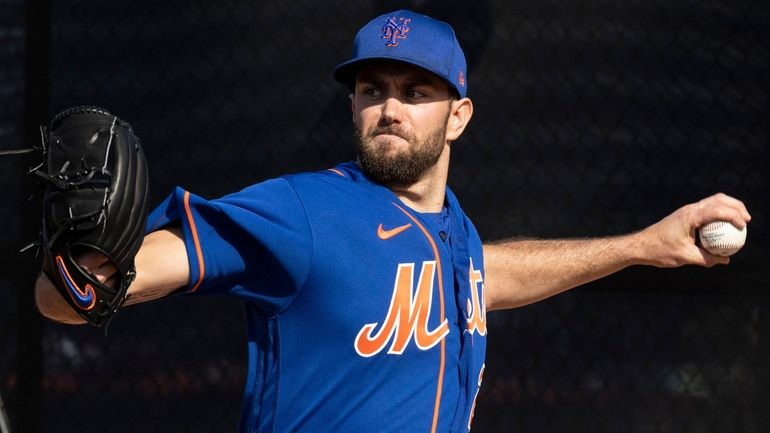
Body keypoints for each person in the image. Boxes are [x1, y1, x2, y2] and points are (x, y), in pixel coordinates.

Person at [35, 9, 750, 433]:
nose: (389, 107)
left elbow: (486, 275)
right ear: (352, 106)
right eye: (372, 89)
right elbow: (87, 294)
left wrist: (641, 246)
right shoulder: (302, 211)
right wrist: (83, 270)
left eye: (416, 90)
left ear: (459, 114)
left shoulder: (456, 236)